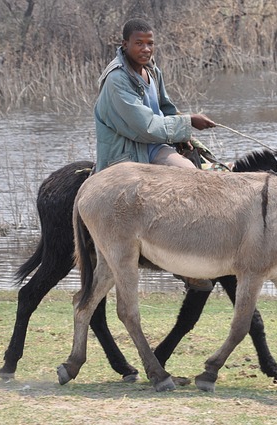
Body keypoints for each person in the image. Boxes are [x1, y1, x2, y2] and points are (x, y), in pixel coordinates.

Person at [93, 18, 216, 291]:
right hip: (127, 157)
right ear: (124, 45)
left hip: (153, 149)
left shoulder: (152, 71)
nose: (146, 49)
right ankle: (182, 266)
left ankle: (192, 255)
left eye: (150, 43)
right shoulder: (116, 80)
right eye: (139, 43)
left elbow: (165, 109)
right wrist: (188, 122)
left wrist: (186, 138)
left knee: (196, 179)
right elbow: (144, 126)